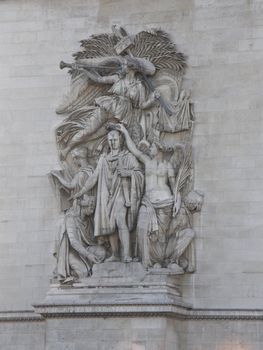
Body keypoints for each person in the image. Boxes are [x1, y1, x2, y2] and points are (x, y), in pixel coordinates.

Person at [115, 123, 186, 269]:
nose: (150, 149)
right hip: (148, 202)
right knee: (141, 228)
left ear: (159, 149)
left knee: (159, 236)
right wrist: (124, 132)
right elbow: (134, 150)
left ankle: (158, 261)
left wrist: (177, 201)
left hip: (166, 202)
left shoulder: (167, 165)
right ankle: (146, 263)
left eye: (153, 147)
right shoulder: (147, 162)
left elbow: (174, 187)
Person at [60, 56, 159, 159]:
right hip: (108, 107)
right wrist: (84, 69)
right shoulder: (117, 78)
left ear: (131, 68)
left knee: (96, 135)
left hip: (121, 116)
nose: (122, 66)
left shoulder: (139, 86)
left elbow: (141, 105)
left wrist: (152, 99)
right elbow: (99, 79)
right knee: (88, 131)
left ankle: (85, 150)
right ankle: (67, 148)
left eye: (124, 65)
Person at [73, 129, 144, 263]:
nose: (112, 142)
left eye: (115, 140)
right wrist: (81, 191)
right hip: (107, 195)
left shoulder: (127, 156)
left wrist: (127, 173)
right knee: (110, 225)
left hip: (122, 193)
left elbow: (139, 172)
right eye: (110, 140)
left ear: (120, 140)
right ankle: (115, 254)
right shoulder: (104, 159)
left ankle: (127, 254)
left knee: (120, 220)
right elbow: (94, 177)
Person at [49, 147, 106, 283]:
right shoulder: (71, 218)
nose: (92, 211)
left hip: (84, 250)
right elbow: (74, 242)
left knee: (102, 253)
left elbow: (69, 185)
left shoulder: (81, 175)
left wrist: (59, 177)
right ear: (83, 204)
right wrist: (90, 256)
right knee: (83, 273)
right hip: (74, 252)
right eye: (90, 208)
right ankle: (68, 273)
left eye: (93, 207)